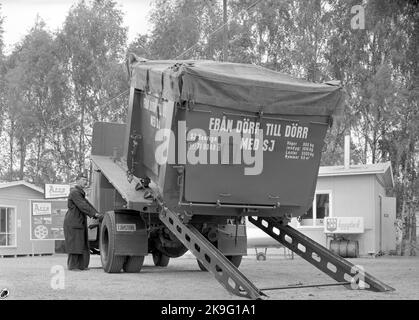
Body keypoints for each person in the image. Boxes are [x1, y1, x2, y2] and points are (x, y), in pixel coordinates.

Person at [63, 172, 103, 271]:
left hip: (79, 222)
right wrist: (95, 215)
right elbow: (82, 206)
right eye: (83, 179)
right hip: (73, 222)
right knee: (75, 244)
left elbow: (87, 204)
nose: (85, 181)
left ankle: (81, 266)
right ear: (77, 181)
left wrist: (97, 213)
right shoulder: (75, 192)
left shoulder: (80, 193)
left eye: (86, 180)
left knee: (82, 244)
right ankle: (72, 266)